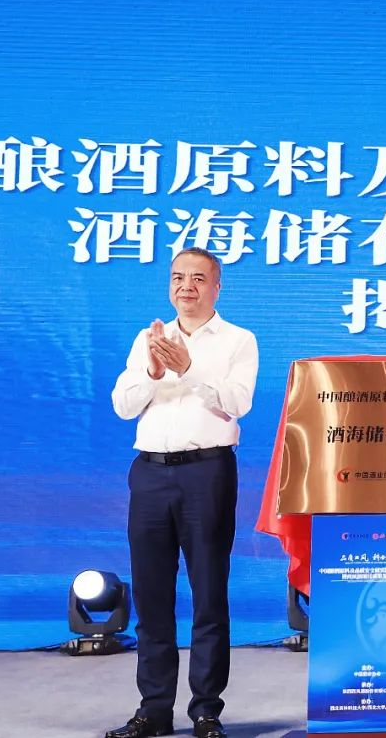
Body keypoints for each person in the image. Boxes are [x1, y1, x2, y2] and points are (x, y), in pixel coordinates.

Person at [107, 247, 259, 738]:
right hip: (150, 474)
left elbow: (237, 403)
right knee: (151, 595)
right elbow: (123, 406)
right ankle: (153, 709)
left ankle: (206, 711)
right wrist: (154, 372)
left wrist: (189, 368)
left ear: (217, 287)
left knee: (208, 593)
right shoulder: (149, 338)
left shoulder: (238, 340)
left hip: (206, 472)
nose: (185, 286)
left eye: (197, 278)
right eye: (177, 277)